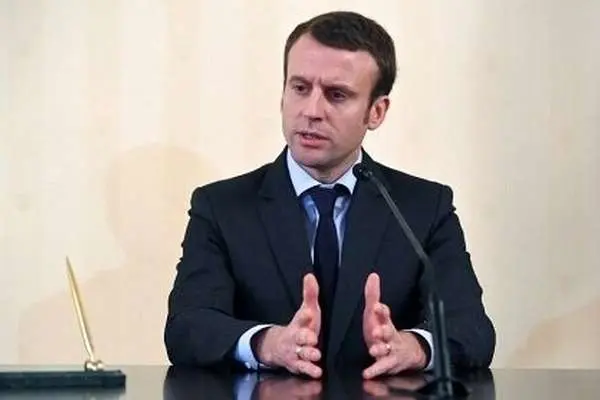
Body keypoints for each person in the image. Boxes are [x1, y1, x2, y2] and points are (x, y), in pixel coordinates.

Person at [164, 10, 495, 379]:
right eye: (300, 88)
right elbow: (187, 327)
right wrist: (268, 343)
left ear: (376, 111)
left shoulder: (423, 208)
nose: (311, 111)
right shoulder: (222, 207)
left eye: (337, 95)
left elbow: (473, 330)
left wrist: (413, 348)